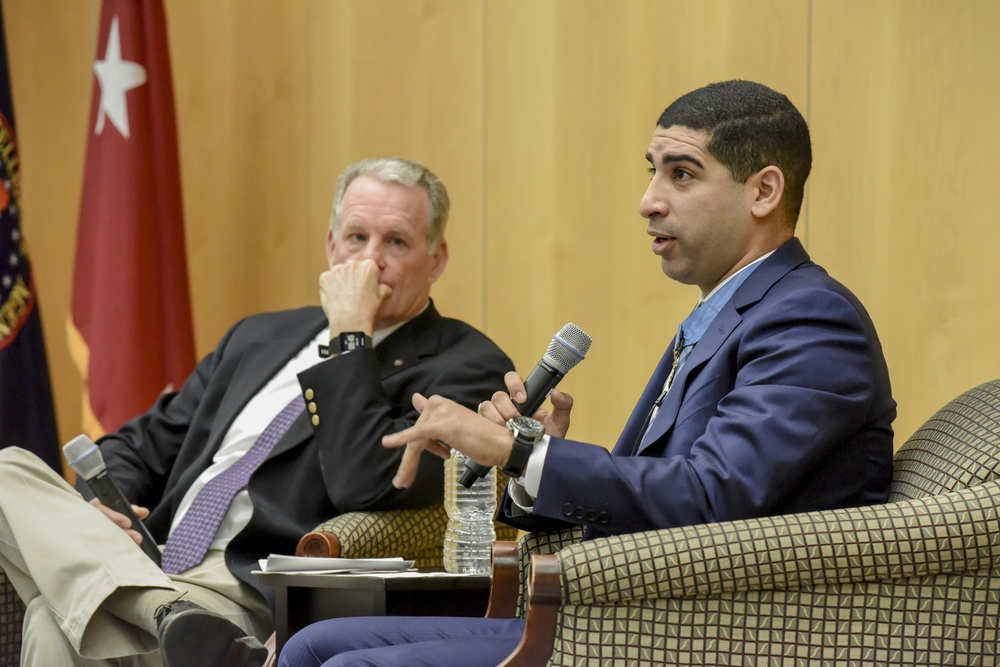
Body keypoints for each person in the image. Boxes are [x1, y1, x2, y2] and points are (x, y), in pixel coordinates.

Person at [278, 80, 897, 667]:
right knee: (314, 643)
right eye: (652, 171)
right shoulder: (732, 310)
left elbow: (714, 498)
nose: (648, 200)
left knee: (347, 660)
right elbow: (668, 495)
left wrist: (518, 450)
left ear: (763, 192)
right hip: (639, 608)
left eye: (681, 174)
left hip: (713, 633)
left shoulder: (810, 319)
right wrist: (538, 454)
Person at [0, 157, 514, 667]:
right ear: (331, 246)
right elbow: (139, 444)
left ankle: (154, 608)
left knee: (52, 618)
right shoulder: (259, 337)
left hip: (248, 593)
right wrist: (100, 506)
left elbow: (365, 483)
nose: (370, 260)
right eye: (356, 238)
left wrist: (350, 336)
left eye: (396, 242)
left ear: (436, 259)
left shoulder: (468, 367)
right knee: (6, 471)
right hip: (149, 564)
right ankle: (151, 605)